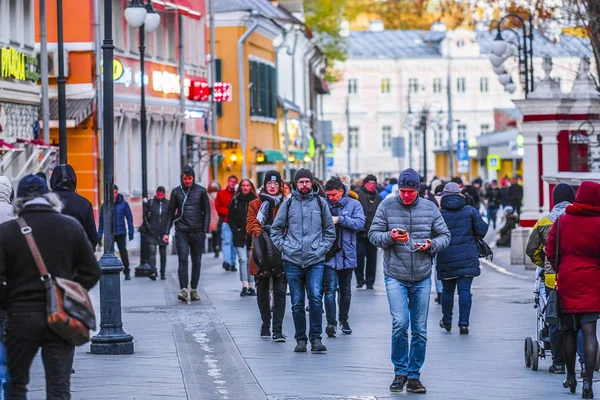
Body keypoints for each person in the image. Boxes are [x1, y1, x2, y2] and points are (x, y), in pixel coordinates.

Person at [0, 175, 100, 399]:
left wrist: (10, 300)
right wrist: (68, 293)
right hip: (60, 316)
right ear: (50, 197)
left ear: (20, 200)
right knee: (58, 385)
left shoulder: (7, 232)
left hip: (21, 317)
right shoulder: (70, 227)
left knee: (17, 384)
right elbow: (92, 271)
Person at [369, 168, 450, 394]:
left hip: (423, 275)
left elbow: (445, 235)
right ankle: (400, 372)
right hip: (395, 273)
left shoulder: (430, 208)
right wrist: (390, 237)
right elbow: (373, 234)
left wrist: (430, 244)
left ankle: (414, 375)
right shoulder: (387, 206)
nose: (406, 195)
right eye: (402, 191)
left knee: (420, 329)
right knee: (400, 323)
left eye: (410, 191)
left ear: (418, 190)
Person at [271, 168, 336, 353]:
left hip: (315, 259)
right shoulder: (288, 203)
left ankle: (316, 338)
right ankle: (301, 339)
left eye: (307, 181)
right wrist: (285, 247)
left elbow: (330, 231)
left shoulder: (320, 203)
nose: (305, 185)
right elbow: (276, 230)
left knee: (315, 298)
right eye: (301, 182)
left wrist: (321, 249)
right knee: (297, 301)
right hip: (292, 259)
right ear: (296, 184)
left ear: (312, 182)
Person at [546, 181, 600, 399]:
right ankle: (588, 381)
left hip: (568, 279)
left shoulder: (561, 221)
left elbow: (550, 250)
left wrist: (562, 267)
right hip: (593, 280)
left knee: (568, 330)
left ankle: (570, 376)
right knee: (590, 332)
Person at [526, 183, 576, 375]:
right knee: (578, 319)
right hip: (577, 277)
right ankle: (583, 358)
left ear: (554, 200)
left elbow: (532, 250)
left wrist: (545, 263)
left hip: (552, 278)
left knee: (554, 317)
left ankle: (558, 362)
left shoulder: (544, 221)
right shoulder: (581, 219)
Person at [436, 182, 488, 335]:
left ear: (443, 196)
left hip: (446, 256)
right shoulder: (470, 210)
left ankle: (447, 320)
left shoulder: (438, 213)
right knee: (465, 290)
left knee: (447, 291)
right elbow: (482, 230)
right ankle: (464, 324)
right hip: (467, 257)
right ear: (460, 194)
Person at [247, 170, 287, 342]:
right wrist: (262, 232)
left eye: (275, 183)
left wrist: (277, 233)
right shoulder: (255, 203)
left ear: (280, 185)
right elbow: (251, 224)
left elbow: (290, 224)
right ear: (265, 185)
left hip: (281, 252)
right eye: (269, 183)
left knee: (280, 291)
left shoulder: (286, 203)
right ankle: (265, 324)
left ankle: (277, 329)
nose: (272, 186)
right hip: (261, 252)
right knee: (262, 291)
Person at [323, 177, 365, 337]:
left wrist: (340, 219)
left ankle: (344, 319)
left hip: (347, 254)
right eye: (329, 195)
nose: (331, 198)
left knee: (346, 290)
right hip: (328, 255)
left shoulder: (354, 204)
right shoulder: (323, 204)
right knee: (330, 290)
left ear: (342, 191)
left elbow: (360, 223)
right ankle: (331, 323)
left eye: (334, 195)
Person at [165, 166, 211, 302]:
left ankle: (194, 290)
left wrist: (205, 230)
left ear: (193, 178)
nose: (187, 181)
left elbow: (207, 211)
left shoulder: (201, 191)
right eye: (185, 179)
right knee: (183, 259)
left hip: (198, 231)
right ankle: (184, 289)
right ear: (181, 178)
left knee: (196, 262)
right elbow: (170, 212)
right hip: (182, 231)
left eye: (189, 179)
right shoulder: (176, 192)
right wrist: (166, 232)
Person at [50, 164, 98, 248]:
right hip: (77, 255)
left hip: (52, 257)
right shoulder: (84, 203)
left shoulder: (46, 202)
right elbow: (93, 238)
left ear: (53, 180)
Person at [228, 178, 258, 297]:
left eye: (247, 185)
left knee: (251, 261)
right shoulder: (235, 200)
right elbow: (230, 217)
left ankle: (251, 285)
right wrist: (236, 230)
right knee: (242, 259)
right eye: (243, 185)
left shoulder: (256, 200)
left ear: (251, 187)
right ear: (240, 187)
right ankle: (244, 285)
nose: (245, 187)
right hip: (239, 235)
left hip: (252, 236)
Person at [98, 185, 134, 280]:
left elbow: (129, 218)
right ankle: (109, 272)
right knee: (108, 253)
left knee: (123, 253)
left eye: (115, 192)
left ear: (117, 192)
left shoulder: (124, 204)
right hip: (109, 233)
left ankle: (127, 272)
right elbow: (101, 221)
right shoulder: (105, 205)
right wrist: (99, 235)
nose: (114, 195)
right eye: (112, 193)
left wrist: (131, 231)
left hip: (121, 232)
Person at [356, 174, 382, 289]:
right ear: (364, 184)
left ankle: (370, 282)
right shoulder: (357, 195)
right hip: (359, 232)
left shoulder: (378, 198)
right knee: (359, 256)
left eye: (373, 183)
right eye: (369, 183)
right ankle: (360, 280)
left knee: (372, 259)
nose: (372, 185)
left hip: (373, 233)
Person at [145, 186, 170, 280]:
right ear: (156, 193)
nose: (159, 196)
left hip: (163, 233)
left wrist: (167, 232)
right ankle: (153, 272)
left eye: (161, 195)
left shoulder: (168, 204)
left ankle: (162, 272)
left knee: (163, 253)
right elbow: (145, 216)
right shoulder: (151, 203)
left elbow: (169, 219)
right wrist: (148, 228)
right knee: (152, 252)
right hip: (152, 232)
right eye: (158, 194)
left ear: (164, 194)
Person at [216, 175, 238, 271]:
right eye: (231, 181)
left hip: (236, 223)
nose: (232, 183)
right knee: (226, 241)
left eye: (234, 182)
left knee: (234, 243)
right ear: (228, 182)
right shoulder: (221, 194)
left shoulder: (238, 194)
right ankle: (227, 262)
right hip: (226, 221)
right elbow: (218, 206)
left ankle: (233, 263)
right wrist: (229, 212)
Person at [207, 181, 221, 258]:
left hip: (214, 220)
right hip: (216, 219)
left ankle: (216, 248)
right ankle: (217, 248)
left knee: (214, 236)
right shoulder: (214, 198)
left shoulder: (208, 198)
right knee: (216, 235)